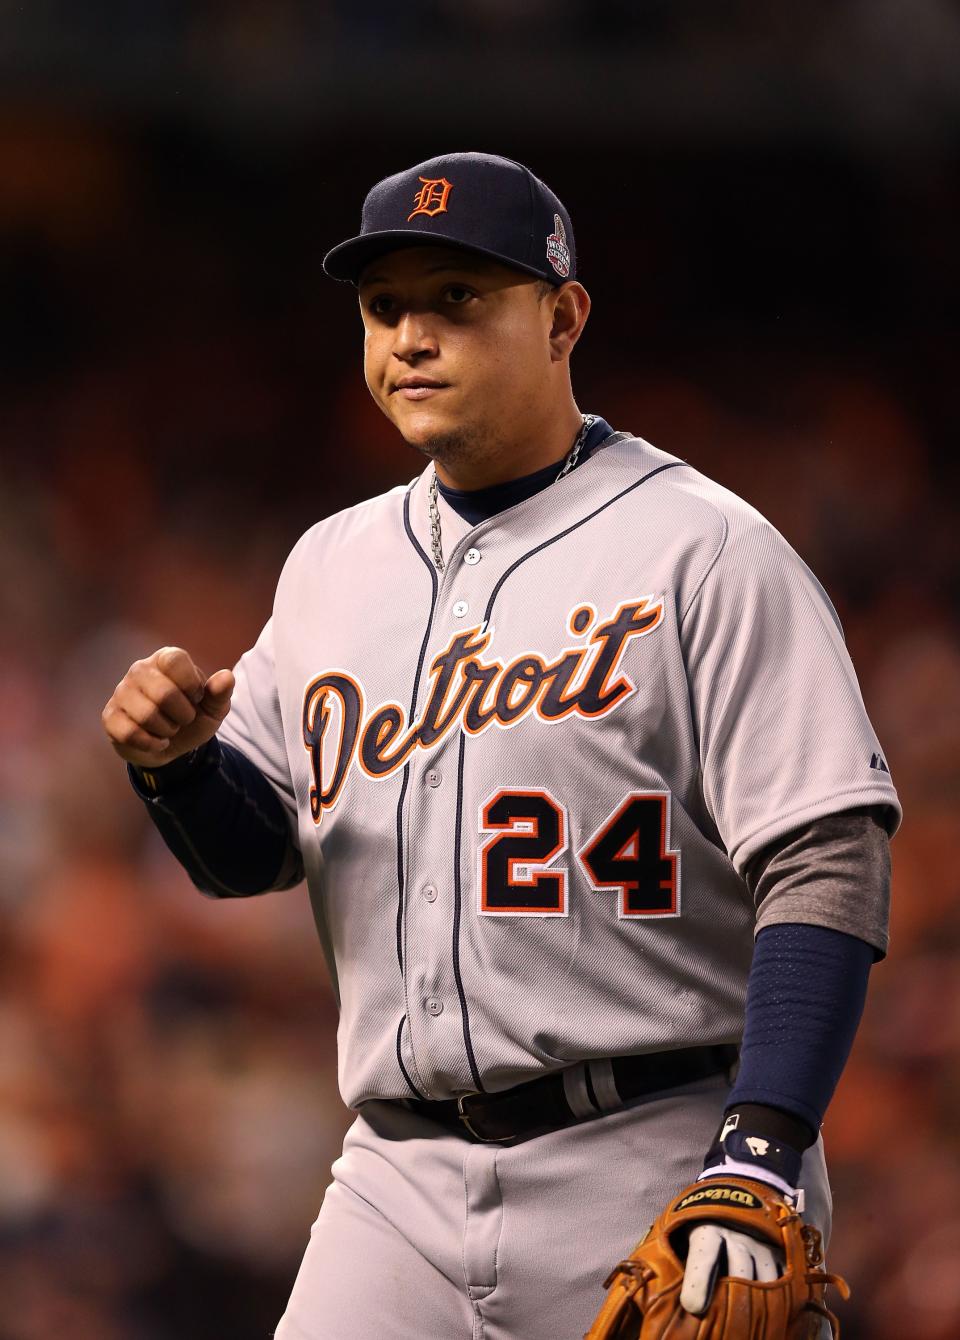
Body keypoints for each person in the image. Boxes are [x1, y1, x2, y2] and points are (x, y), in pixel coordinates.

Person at [101, 151, 901, 1339]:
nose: (412, 336)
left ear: (563, 314)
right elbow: (254, 850)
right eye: (385, 308)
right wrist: (176, 765)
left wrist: (763, 1146)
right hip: (398, 1179)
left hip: (656, 1151)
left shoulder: (705, 548)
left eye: (458, 299)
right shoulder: (331, 563)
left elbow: (826, 854)